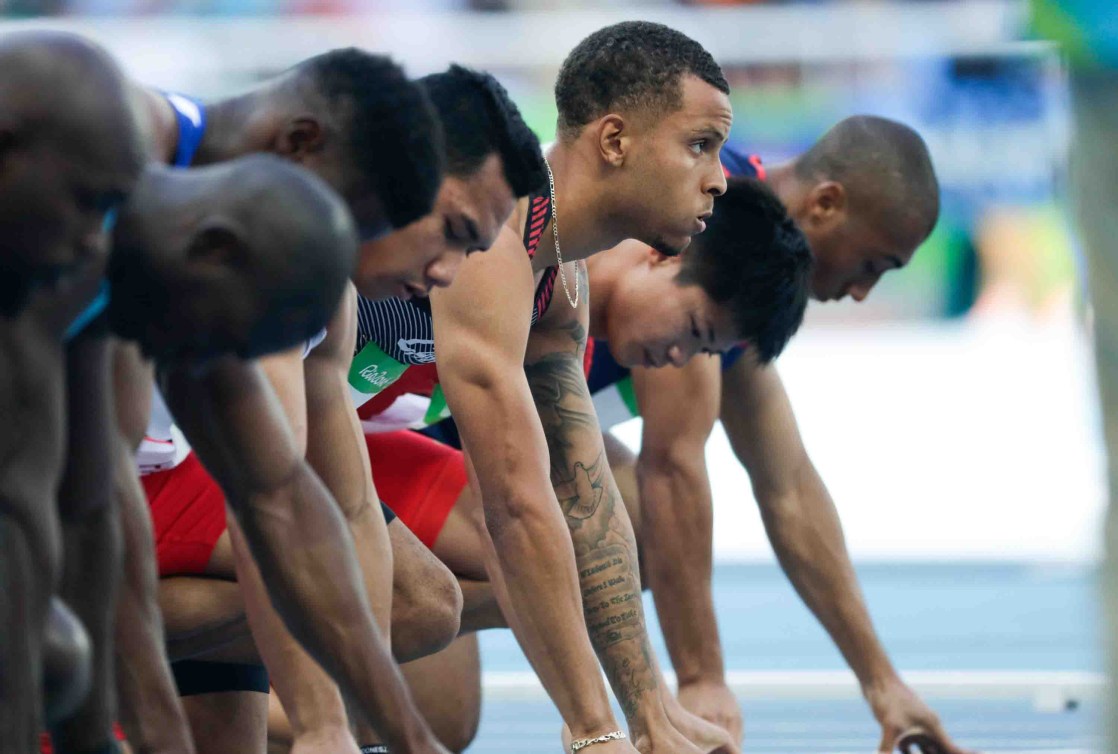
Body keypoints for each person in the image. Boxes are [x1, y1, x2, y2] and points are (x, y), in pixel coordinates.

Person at [404, 119, 969, 754]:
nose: (863, 291)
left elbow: (788, 482)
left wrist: (881, 680)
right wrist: (696, 684)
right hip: (440, 425)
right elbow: (672, 469)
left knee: (444, 713)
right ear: (826, 204)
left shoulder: (751, 286)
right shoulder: (701, 229)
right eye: (874, 263)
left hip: (442, 427)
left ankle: (338, 633)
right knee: (611, 526)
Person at [133, 64, 546, 754]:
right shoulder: (105, 137)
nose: (447, 273)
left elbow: (306, 499)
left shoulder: (310, 279)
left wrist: (360, 731)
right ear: (305, 148)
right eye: (445, 228)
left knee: (405, 600)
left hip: (111, 485)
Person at [0, 30, 145, 754]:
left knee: (57, 650)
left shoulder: (55, 278)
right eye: (87, 202)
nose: (94, 241)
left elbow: (81, 508)